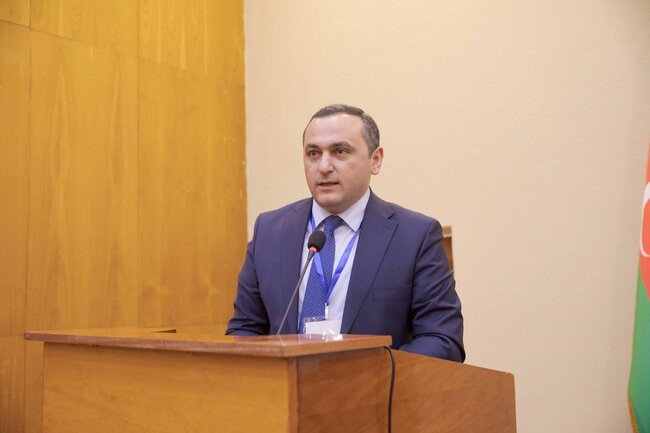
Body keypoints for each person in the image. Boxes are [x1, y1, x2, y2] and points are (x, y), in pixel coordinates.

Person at [226, 104, 464, 361]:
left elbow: (443, 340)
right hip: (285, 386)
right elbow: (245, 330)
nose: (324, 166)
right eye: (313, 153)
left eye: (340, 151)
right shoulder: (269, 232)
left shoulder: (415, 236)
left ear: (375, 160)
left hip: (375, 385)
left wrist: (366, 377)